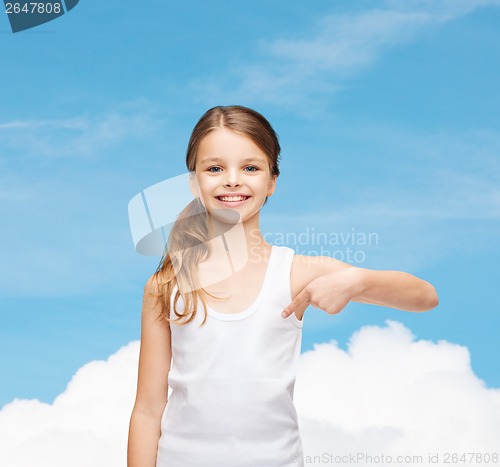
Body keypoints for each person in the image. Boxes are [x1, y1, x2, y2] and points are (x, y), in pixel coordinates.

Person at [127, 105, 439, 467]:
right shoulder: (167, 284)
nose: (232, 180)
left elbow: (425, 297)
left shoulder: (295, 272)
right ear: (194, 182)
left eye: (250, 168)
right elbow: (148, 410)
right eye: (215, 168)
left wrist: (358, 281)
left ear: (272, 181)